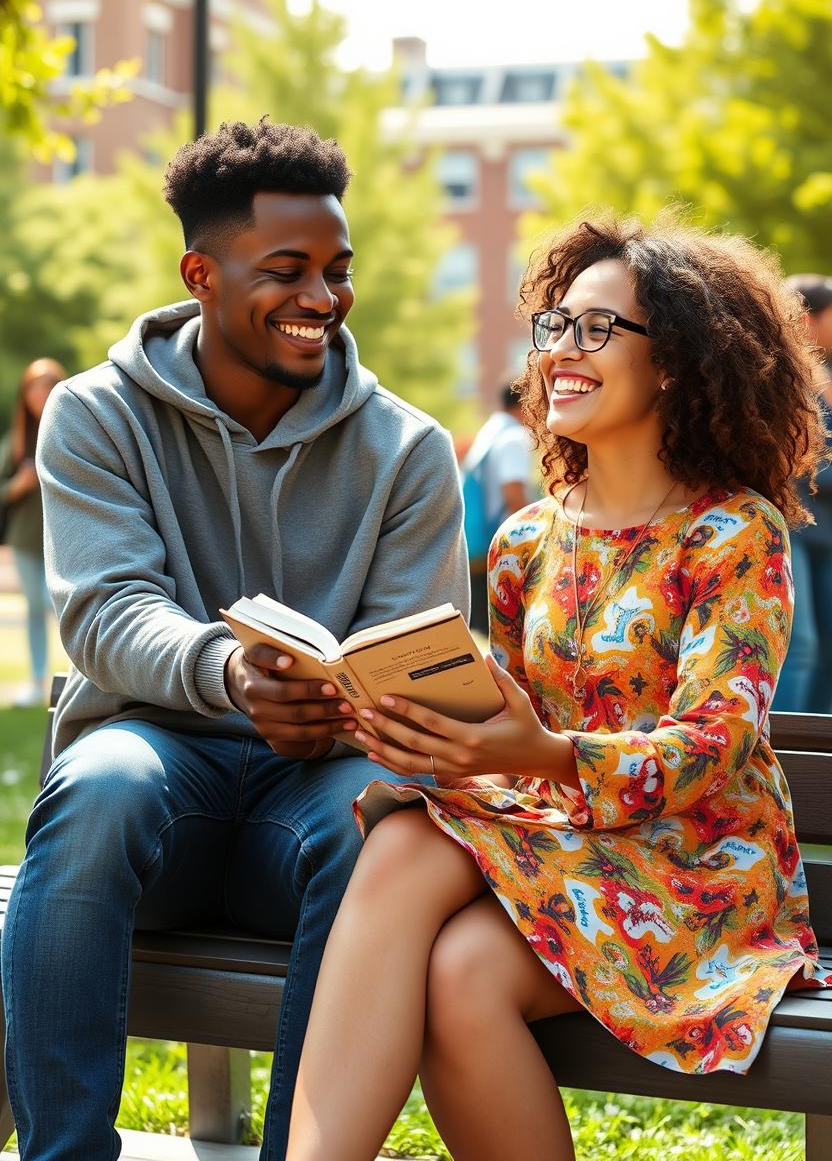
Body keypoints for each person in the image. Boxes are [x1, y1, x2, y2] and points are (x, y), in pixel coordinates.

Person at [286, 214, 832, 1161]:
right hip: (562, 843)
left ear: (674, 363)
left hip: (696, 871)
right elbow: (517, 725)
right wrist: (423, 727)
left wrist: (537, 752)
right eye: (555, 327)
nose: (560, 352)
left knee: (445, 935)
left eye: (597, 329)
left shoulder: (735, 534)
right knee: (421, 872)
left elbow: (718, 740)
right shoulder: (524, 541)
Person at [0, 118, 469, 1161]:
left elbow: (417, 655)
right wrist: (227, 672)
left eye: (338, 271)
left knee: (372, 832)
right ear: (201, 273)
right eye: (288, 269)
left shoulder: (409, 449)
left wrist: (354, 705)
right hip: (156, 779)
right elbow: (108, 610)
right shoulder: (94, 413)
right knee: (100, 782)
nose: (322, 297)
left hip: (305, 805)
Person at [773, 274, 832, 714]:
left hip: (822, 529)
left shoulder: (822, 377)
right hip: (789, 524)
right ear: (808, 318)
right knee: (800, 646)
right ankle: (791, 745)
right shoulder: (779, 374)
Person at [0, 358, 67, 706]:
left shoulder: (72, 426)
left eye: (46, 385)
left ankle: (80, 675)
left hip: (66, 536)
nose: (39, 394)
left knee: (58, 604)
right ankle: (37, 679)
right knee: (33, 607)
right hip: (26, 540)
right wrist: (19, 485)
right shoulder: (17, 441)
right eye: (33, 387)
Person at [461, 377, 536, 634]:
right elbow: (513, 494)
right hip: (500, 543)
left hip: (476, 541)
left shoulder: (490, 431)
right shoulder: (514, 437)